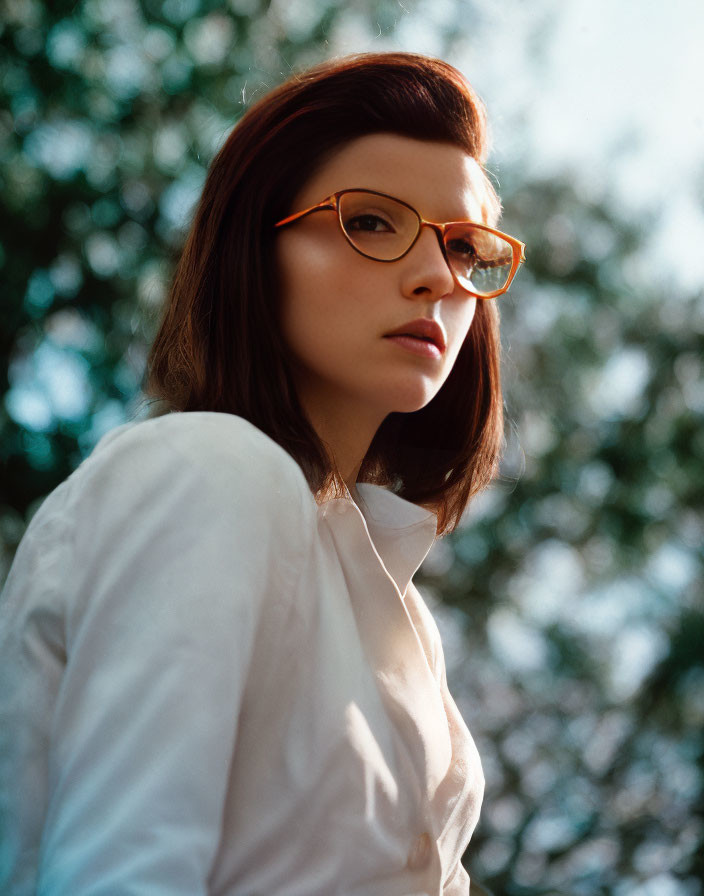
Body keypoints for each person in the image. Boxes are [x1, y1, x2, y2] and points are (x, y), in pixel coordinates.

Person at [0, 52, 525, 895]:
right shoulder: (212, 468)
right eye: (375, 222)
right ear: (258, 247)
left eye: (465, 248)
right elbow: (121, 870)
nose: (436, 278)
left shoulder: (407, 629)